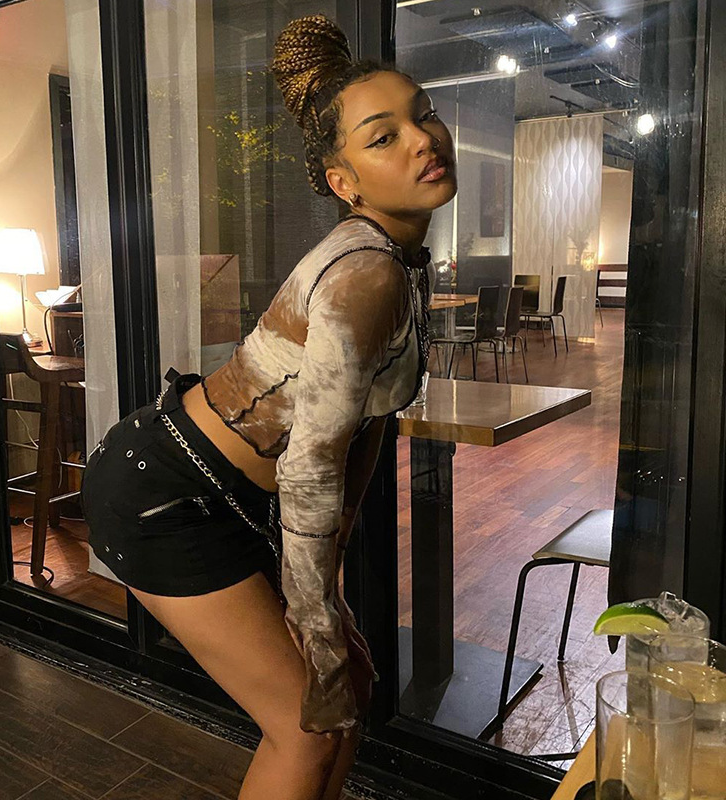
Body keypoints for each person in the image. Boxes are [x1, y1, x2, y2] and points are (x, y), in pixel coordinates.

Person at [81, 14, 456, 800]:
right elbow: (314, 465)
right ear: (343, 182)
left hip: (232, 494)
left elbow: (364, 431)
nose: (424, 139)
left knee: (346, 698)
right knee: (308, 725)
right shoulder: (367, 275)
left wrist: (329, 596)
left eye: (423, 114)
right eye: (384, 137)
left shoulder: (399, 261)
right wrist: (315, 621)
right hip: (166, 492)